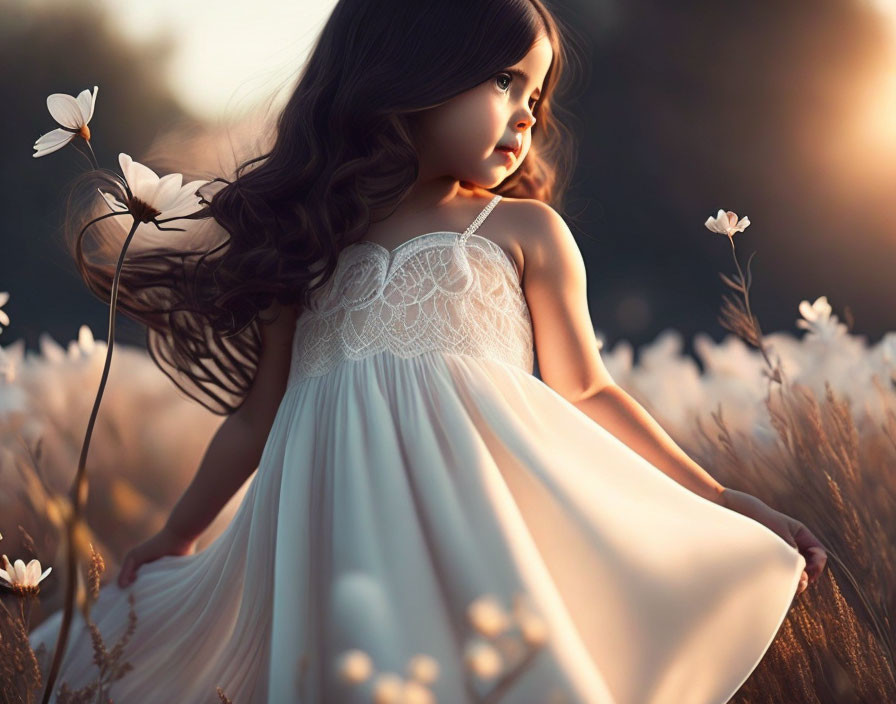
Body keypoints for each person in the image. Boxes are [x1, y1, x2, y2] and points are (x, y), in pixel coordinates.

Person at [29, 0, 827, 701]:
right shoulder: (306, 241)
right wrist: (179, 533)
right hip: (328, 533)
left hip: (478, 535)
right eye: (504, 82)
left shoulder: (523, 233)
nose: (527, 115)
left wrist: (722, 499)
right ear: (410, 72)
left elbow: (586, 391)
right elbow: (256, 416)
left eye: (536, 94)